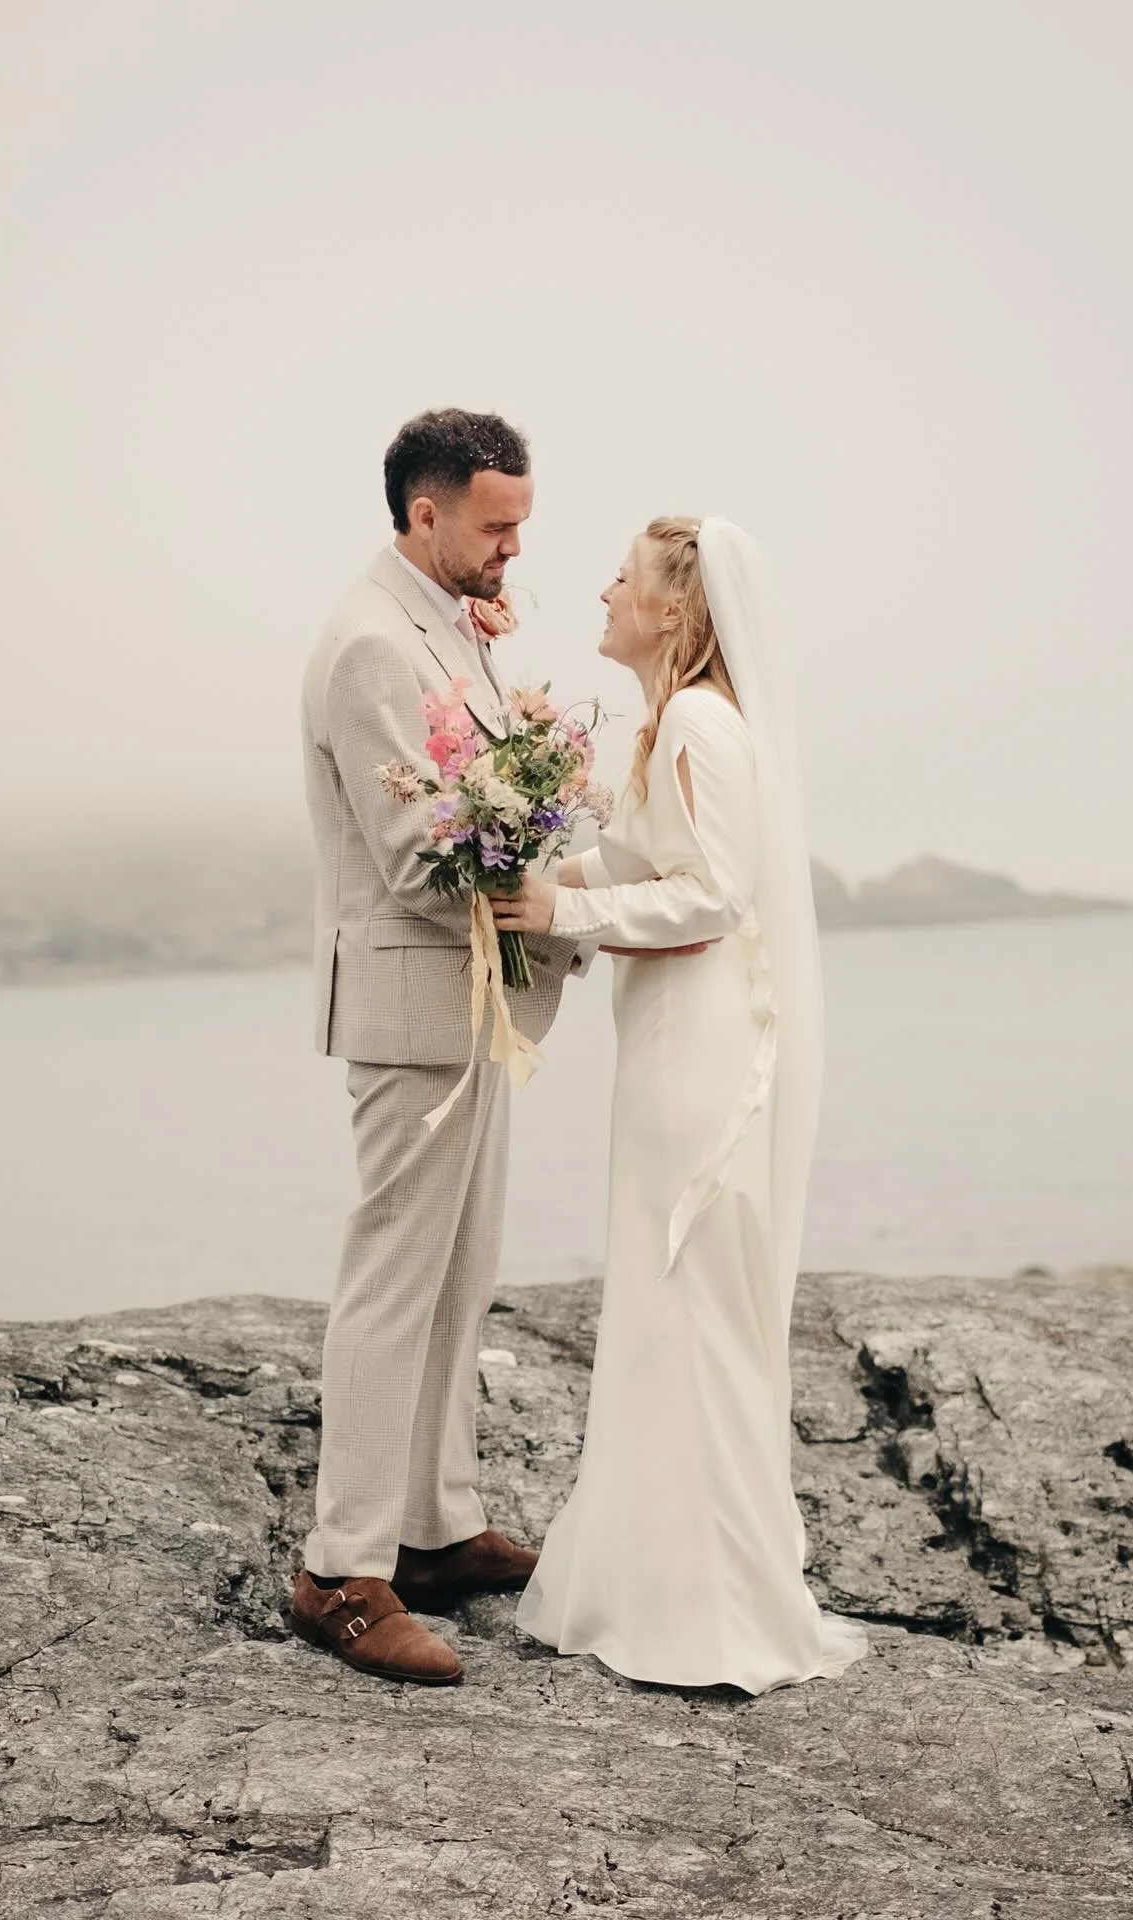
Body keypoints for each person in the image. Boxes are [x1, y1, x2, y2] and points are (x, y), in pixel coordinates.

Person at [288, 414, 704, 1686]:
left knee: (461, 1276)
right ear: (424, 515)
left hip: (477, 1003)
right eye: (496, 525)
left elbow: (477, 802)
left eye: (521, 520)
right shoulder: (370, 644)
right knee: (394, 1281)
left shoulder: (450, 622)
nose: (517, 547)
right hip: (417, 1001)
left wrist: (549, 829)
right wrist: (566, 876)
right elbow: (421, 856)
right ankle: (339, 1570)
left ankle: (437, 1526)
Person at [494, 516, 869, 1693]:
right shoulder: (671, 726)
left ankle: (717, 1611)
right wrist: (531, 865)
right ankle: (658, 1583)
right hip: (667, 1037)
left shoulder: (704, 722)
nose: (602, 591)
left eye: (624, 578)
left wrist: (566, 918)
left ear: (675, 610)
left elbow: (712, 895)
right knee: (664, 1299)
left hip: (705, 1046)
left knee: (693, 1291)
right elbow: (639, 862)